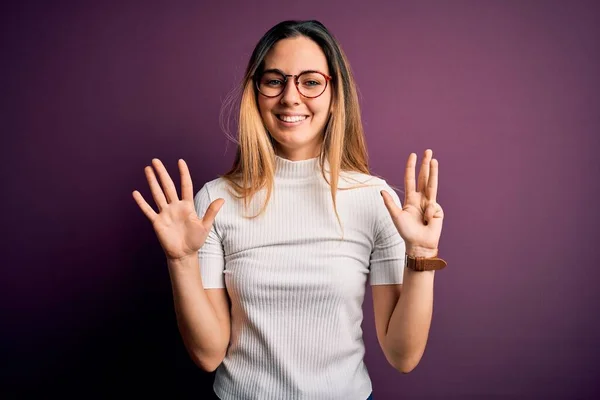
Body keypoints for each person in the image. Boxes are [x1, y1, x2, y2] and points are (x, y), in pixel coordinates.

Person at [132, 19, 446, 400]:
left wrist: (423, 255)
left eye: (311, 81)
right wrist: (180, 260)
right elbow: (209, 355)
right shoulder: (216, 201)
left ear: (335, 95)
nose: (291, 97)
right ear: (256, 92)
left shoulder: (375, 199)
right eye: (275, 80)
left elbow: (403, 355)